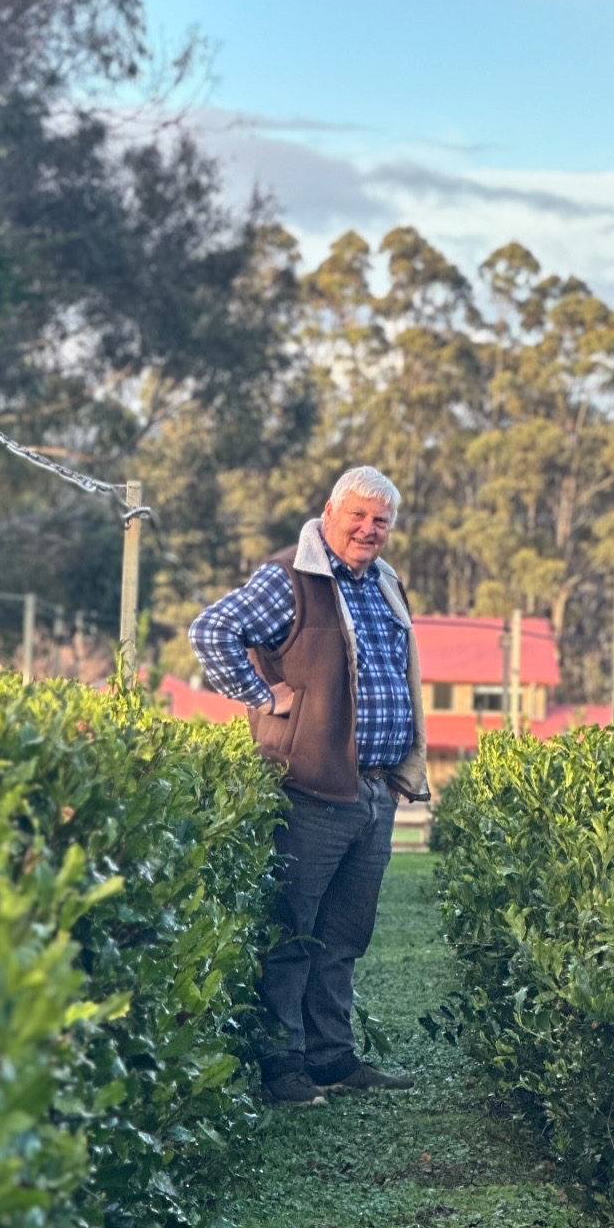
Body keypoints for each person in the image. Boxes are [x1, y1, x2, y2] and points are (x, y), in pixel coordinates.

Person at [188, 464, 429, 1104]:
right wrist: (263, 697)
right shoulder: (288, 578)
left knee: (343, 936)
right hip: (309, 786)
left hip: (375, 788)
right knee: (292, 932)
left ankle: (331, 1058)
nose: (369, 530)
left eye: (381, 521)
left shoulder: (384, 582)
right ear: (330, 511)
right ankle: (282, 1067)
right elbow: (210, 630)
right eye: (358, 515)